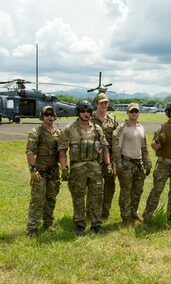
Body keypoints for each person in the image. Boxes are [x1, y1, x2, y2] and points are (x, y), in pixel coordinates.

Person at [58, 100, 113, 236]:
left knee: (96, 197)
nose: (86, 113)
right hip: (78, 168)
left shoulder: (97, 129)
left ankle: (96, 223)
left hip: (95, 167)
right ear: (78, 112)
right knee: (78, 197)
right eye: (83, 111)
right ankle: (80, 224)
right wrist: (64, 168)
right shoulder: (69, 129)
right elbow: (62, 150)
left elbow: (105, 147)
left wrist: (108, 164)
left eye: (88, 111)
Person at [113, 103, 151, 226]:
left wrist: (147, 163)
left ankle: (133, 212)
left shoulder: (141, 127)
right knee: (126, 191)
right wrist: (118, 164)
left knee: (137, 191)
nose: (134, 113)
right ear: (127, 113)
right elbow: (117, 148)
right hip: (126, 163)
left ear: (139, 113)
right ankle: (125, 217)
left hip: (138, 164)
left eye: (136, 111)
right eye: (131, 111)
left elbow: (144, 147)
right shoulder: (122, 128)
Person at [25, 106, 61, 237]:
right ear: (42, 116)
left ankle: (48, 223)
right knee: (37, 200)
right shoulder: (36, 132)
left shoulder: (58, 133)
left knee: (51, 198)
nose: (50, 117)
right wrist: (33, 170)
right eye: (47, 114)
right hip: (41, 172)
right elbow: (30, 152)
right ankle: (32, 228)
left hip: (54, 172)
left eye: (52, 114)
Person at [90, 93, 118, 219]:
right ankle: (91, 212)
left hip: (110, 157)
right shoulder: (90, 118)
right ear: (96, 104)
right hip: (94, 157)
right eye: (101, 103)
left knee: (110, 185)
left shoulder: (112, 119)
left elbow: (117, 137)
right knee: (94, 186)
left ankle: (105, 211)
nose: (104, 105)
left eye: (106, 103)